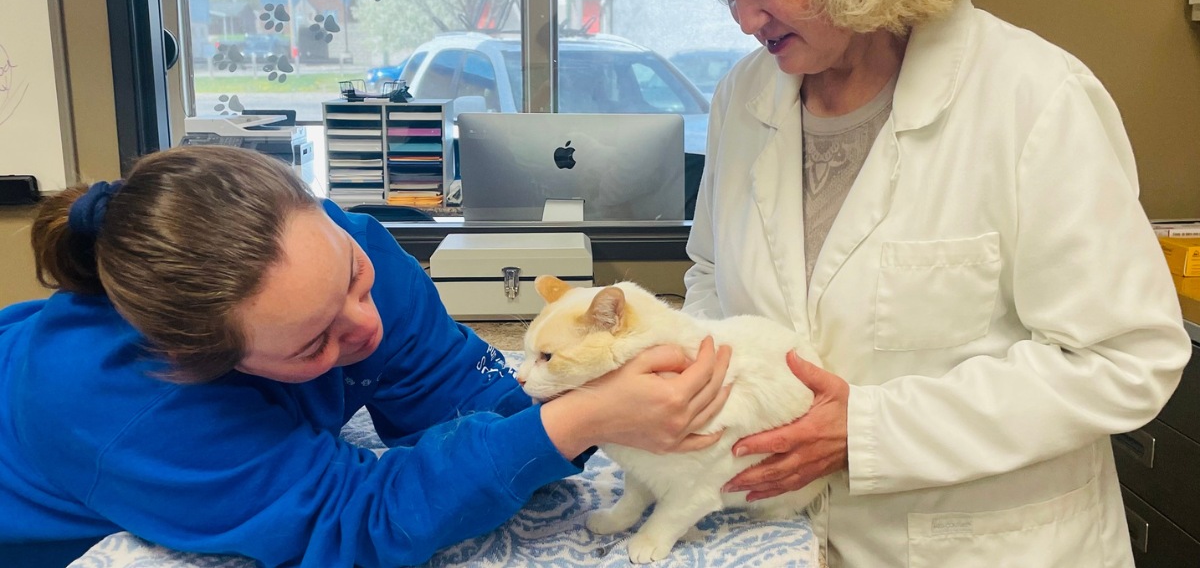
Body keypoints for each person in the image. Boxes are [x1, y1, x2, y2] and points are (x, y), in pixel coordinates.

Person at [670, 0, 1191, 566]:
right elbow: (712, 275)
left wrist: (870, 429)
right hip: (778, 539)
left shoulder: (1033, 97)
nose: (745, 21)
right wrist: (706, 383)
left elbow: (1123, 358)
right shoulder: (744, 97)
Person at [0, 145, 732, 568]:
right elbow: (356, 523)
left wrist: (584, 392)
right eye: (316, 342)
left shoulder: (346, 253)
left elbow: (471, 398)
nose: (367, 328)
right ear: (204, 361)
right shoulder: (128, 402)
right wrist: (574, 424)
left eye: (352, 278)